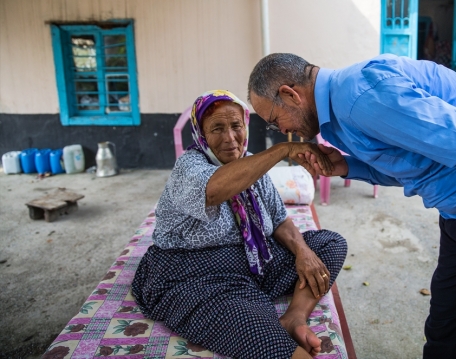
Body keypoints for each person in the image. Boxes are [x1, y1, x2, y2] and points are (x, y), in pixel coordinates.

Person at [248, 54, 456, 359]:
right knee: (445, 327)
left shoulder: (359, 98)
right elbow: (415, 166)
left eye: (276, 120)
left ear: (290, 94)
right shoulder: (339, 115)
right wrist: (346, 166)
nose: (283, 130)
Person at [132, 90, 347, 359]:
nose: (230, 138)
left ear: (245, 125)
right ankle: (263, 324)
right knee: (255, 330)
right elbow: (214, 190)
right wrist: (283, 149)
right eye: (217, 128)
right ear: (201, 133)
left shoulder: (252, 162)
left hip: (254, 261)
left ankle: (294, 318)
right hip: (195, 274)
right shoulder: (189, 166)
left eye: (236, 126)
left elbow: (279, 219)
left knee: (329, 244)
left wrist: (303, 253)